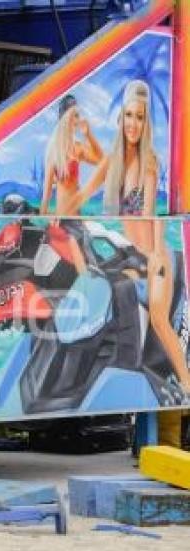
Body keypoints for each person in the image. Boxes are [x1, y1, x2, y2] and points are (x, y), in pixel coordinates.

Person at [64, 80, 190, 392]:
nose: (133, 124)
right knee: (97, 284)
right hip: (132, 255)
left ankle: (187, 385)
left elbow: (150, 212)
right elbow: (83, 195)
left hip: (155, 257)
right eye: (129, 115)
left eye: (140, 117)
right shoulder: (112, 162)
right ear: (121, 117)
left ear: (146, 123)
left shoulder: (149, 163)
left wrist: (156, 258)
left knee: (160, 320)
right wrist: (53, 214)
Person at [39, 94, 103, 215]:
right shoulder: (54, 152)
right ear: (65, 117)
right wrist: (42, 218)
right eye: (74, 115)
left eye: (78, 116)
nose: (77, 120)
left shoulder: (78, 147)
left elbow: (101, 161)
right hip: (62, 219)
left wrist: (89, 135)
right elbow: (46, 197)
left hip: (76, 217)